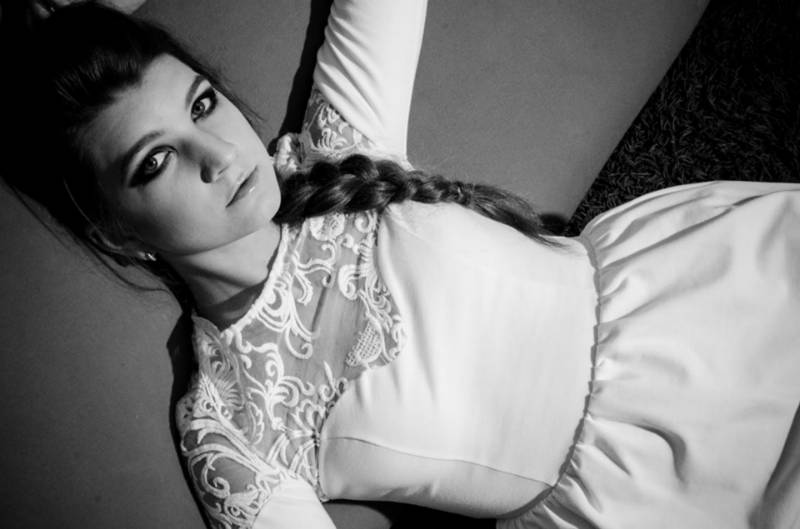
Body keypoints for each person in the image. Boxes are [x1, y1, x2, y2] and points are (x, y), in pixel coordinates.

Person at [4, 1, 800, 529]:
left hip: (702, 291)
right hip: (655, 494)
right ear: (119, 237)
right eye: (155, 162)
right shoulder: (233, 429)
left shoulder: (338, 148)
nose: (217, 154)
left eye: (203, 102)